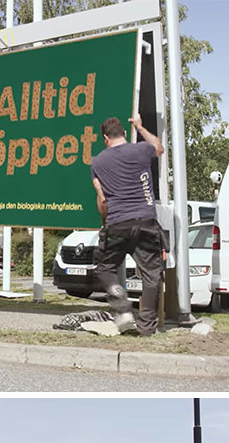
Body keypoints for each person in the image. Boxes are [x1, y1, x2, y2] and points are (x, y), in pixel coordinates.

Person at [90, 115, 165, 336]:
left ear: (105, 137)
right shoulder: (141, 150)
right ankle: (146, 328)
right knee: (151, 274)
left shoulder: (98, 162)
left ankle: (122, 308)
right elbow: (158, 147)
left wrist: (106, 222)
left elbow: (102, 199)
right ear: (124, 133)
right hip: (145, 222)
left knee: (105, 268)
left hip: (117, 223)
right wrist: (140, 127)